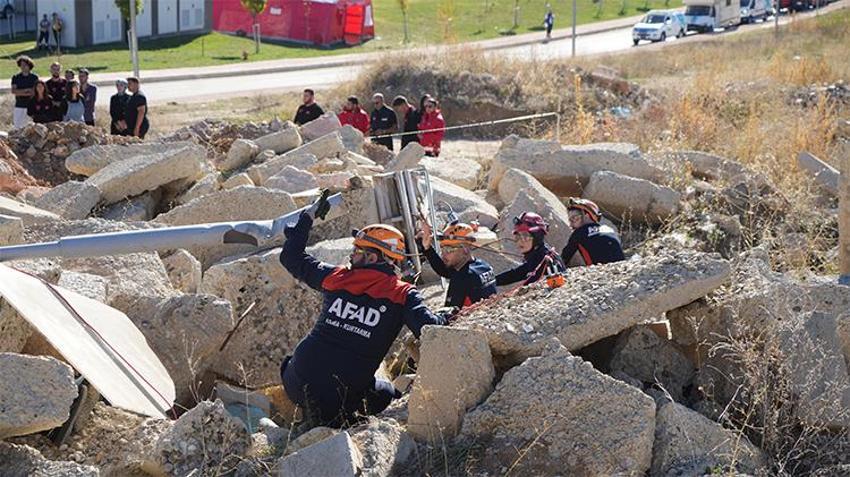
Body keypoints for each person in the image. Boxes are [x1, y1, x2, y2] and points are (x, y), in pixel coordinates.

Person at [279, 193, 447, 428]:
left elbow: (291, 256)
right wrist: (446, 315)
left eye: (357, 250)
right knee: (389, 394)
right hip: (343, 398)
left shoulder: (336, 277)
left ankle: (307, 418)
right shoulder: (403, 294)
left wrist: (306, 219)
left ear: (372, 256)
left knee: (288, 363)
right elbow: (432, 330)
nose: (352, 254)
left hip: (296, 383)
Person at [417, 219, 497, 309]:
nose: (443, 255)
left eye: (449, 249)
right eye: (442, 249)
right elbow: (444, 271)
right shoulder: (484, 266)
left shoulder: (462, 277)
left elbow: (449, 315)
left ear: (465, 249)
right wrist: (427, 248)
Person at [495, 212, 566, 287]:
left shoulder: (545, 260)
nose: (520, 241)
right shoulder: (538, 256)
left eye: (525, 236)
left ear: (537, 238)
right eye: (518, 237)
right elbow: (517, 273)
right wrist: (492, 282)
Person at [561, 198, 625, 266]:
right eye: (570, 220)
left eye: (574, 218)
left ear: (587, 216)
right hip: (622, 267)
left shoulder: (579, 233)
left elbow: (564, 259)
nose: (571, 224)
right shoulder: (609, 229)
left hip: (602, 271)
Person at [11, 56, 38, 129]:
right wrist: (26, 90)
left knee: (30, 127)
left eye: (25, 65)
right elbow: (14, 91)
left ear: (29, 65)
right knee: (17, 127)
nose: (23, 67)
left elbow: (34, 91)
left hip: (31, 105)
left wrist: (21, 92)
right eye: (21, 65)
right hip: (19, 105)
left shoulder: (34, 77)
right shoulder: (16, 77)